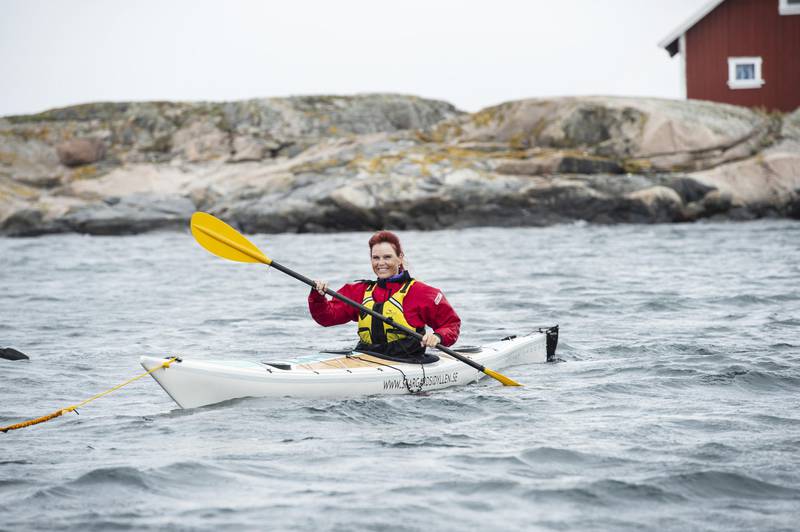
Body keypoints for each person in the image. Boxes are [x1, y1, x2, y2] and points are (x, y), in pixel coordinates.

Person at [308, 230, 460, 360]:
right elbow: (327, 318)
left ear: (400, 258)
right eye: (376, 258)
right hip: (366, 356)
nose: (381, 263)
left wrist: (438, 336)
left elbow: (451, 324)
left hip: (408, 359)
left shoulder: (422, 293)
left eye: (387, 257)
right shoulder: (358, 291)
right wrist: (318, 295)